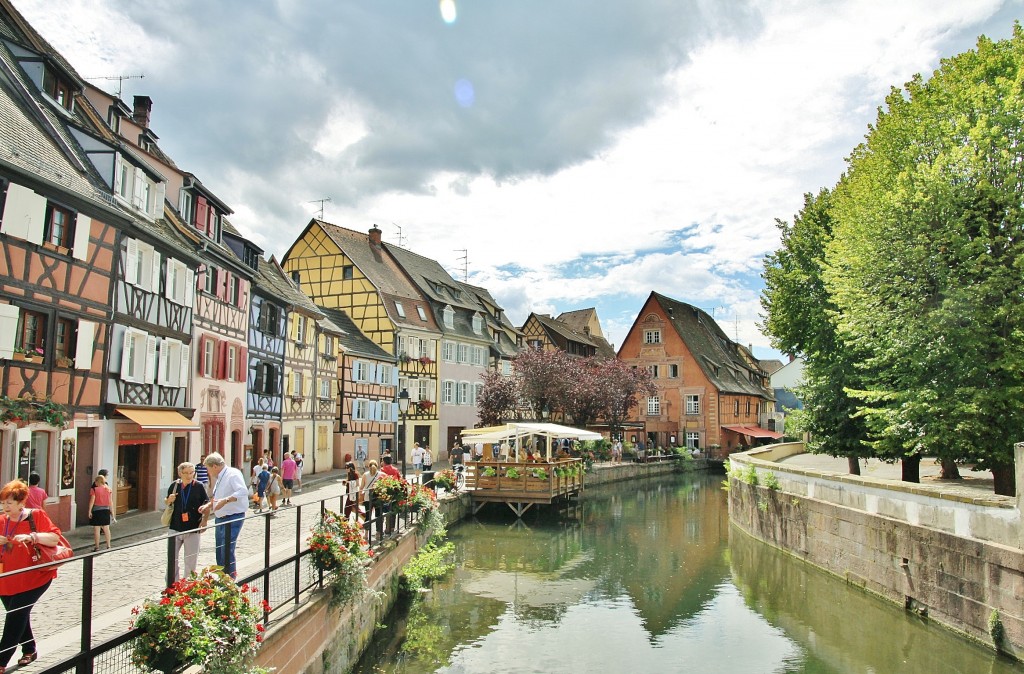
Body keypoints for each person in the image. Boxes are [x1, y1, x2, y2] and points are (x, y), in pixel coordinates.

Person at [0, 479, 62, 670]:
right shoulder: (1, 520)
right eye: (3, 503)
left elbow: (54, 538)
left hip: (34, 576)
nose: (5, 507)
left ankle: (1, 661)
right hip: (6, 578)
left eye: (9, 503)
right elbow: (10, 547)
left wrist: (32, 536)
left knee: (16, 615)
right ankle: (30, 649)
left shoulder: (36, 516)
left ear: (21, 502)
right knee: (18, 614)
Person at [199, 452, 248, 579]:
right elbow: (218, 496)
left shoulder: (233, 474)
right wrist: (209, 506)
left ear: (214, 466)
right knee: (220, 550)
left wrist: (225, 500)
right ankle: (223, 578)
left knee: (227, 549)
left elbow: (242, 491)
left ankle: (230, 579)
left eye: (208, 468)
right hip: (221, 518)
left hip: (232, 516)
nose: (208, 471)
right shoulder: (220, 476)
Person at [165, 462, 210, 587]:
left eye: (192, 473)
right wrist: (169, 500)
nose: (190, 476)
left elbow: (207, 503)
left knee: (190, 561)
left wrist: (205, 520)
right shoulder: (174, 486)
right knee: (172, 560)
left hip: (193, 529)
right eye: (186, 473)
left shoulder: (199, 486)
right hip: (175, 528)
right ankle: (172, 586)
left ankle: (188, 587)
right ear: (180, 473)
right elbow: (167, 501)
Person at [88, 474, 113, 551]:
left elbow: (92, 501)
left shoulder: (94, 490)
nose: (94, 483)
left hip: (97, 510)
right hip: (106, 510)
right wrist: (112, 512)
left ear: (98, 481)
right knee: (106, 529)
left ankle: (97, 547)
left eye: (95, 481)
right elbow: (110, 502)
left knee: (97, 529)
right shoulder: (108, 490)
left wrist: (89, 511)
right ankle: (108, 545)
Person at [379, 456, 402, 536]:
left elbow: (380, 480)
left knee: (384, 509)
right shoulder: (395, 469)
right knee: (393, 509)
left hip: (384, 493)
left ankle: (386, 528)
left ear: (384, 462)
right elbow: (399, 480)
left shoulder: (382, 470)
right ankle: (392, 527)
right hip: (394, 492)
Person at [361, 460, 383, 540]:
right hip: (377, 497)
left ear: (369, 466)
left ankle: (366, 534)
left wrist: (360, 496)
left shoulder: (365, 475)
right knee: (378, 514)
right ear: (377, 466)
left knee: (368, 515)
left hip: (367, 497)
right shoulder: (381, 474)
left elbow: (361, 487)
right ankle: (378, 533)